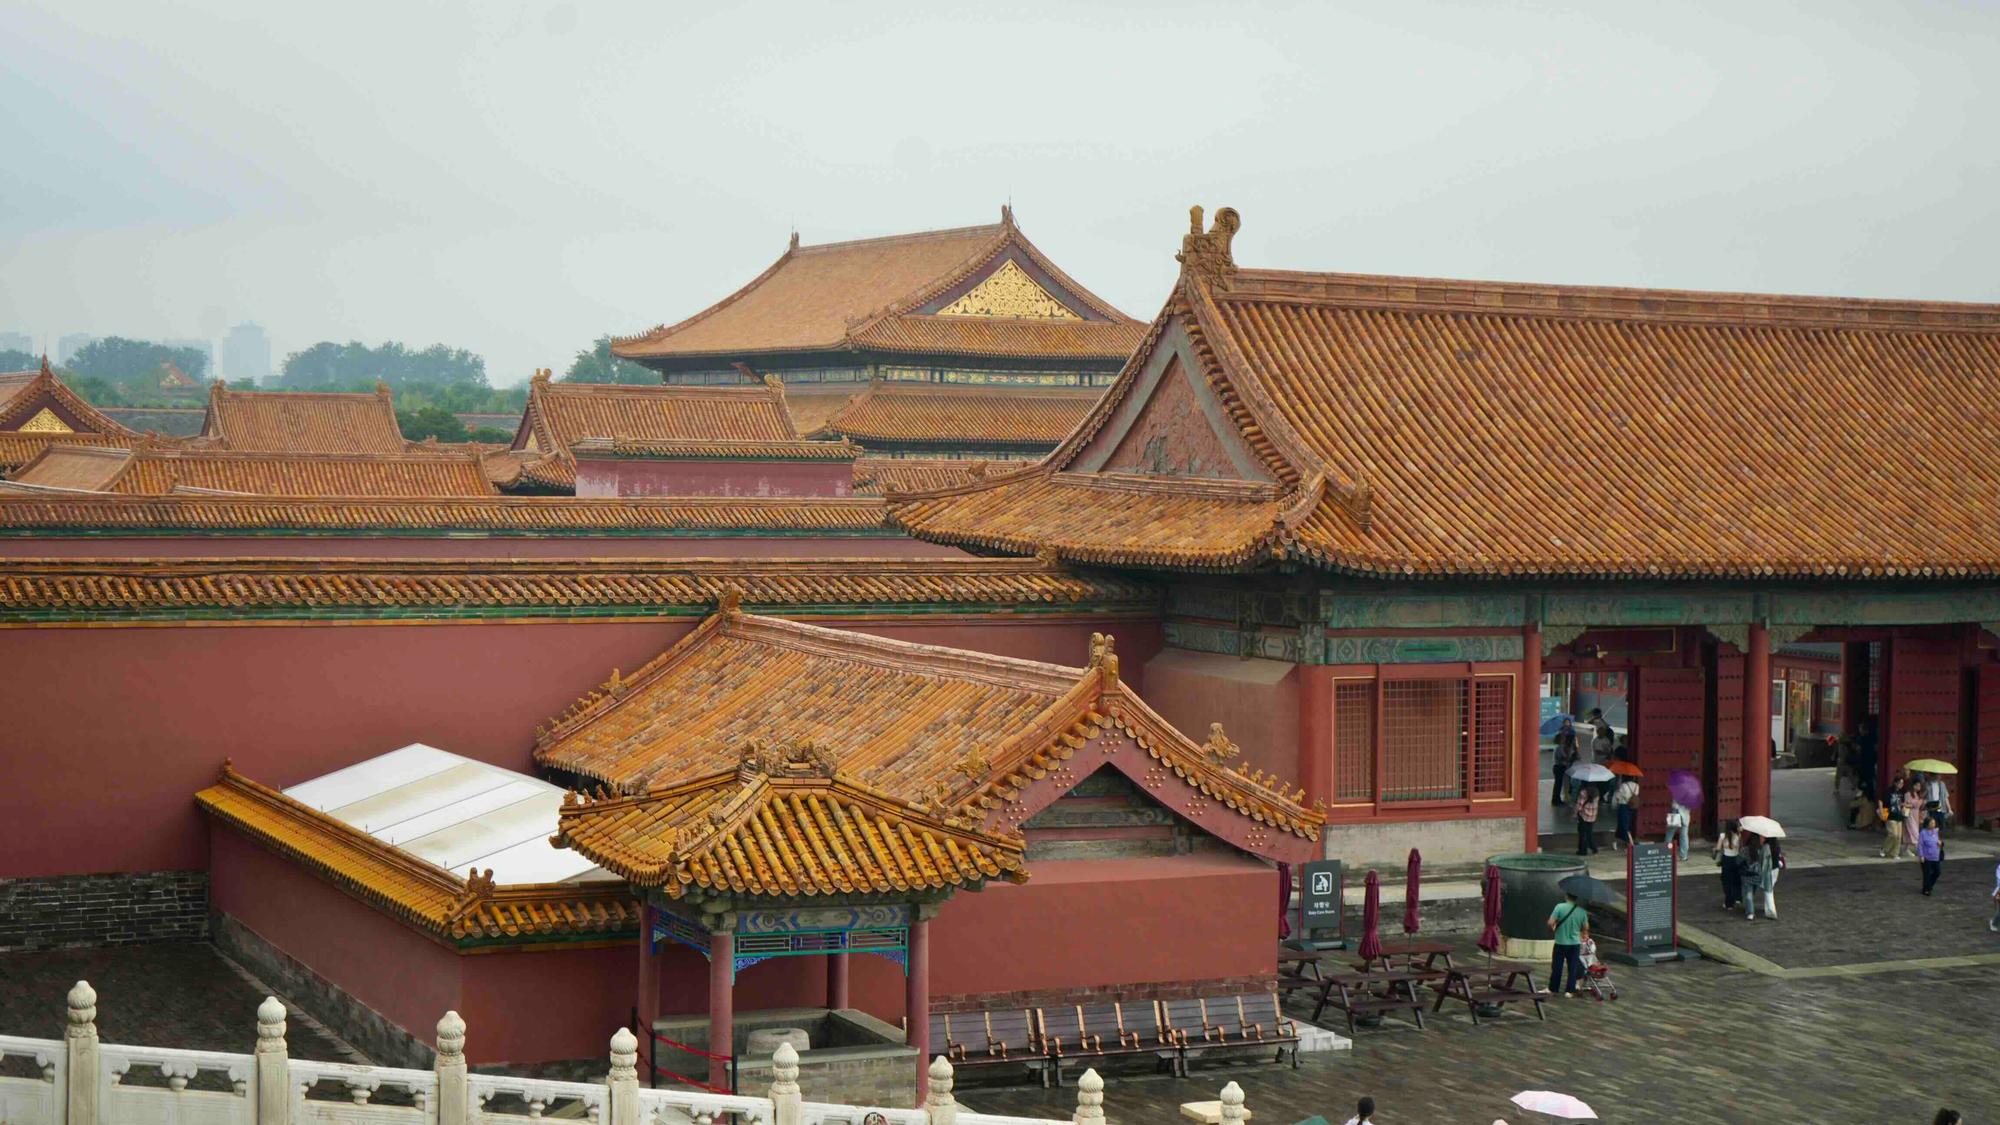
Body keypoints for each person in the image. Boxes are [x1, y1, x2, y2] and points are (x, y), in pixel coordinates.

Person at [1546, 891, 1590, 997]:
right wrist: (1583, 934)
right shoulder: (1582, 912)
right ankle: (1569, 991)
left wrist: (1553, 929)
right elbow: (1586, 927)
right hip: (1574, 944)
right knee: (1573, 967)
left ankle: (1553, 988)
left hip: (1560, 942)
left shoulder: (1559, 907)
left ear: (1566, 896)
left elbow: (1550, 923)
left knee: (1557, 967)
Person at [1713, 819, 1744, 910]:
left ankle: (1729, 903)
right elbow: (1741, 847)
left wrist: (1714, 850)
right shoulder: (1738, 835)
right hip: (1736, 859)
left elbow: (1718, 848)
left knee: (1727, 881)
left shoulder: (1723, 836)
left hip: (1726, 859)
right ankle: (1738, 898)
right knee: (1736, 879)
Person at [1552, 717, 1578, 806]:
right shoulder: (1559, 748)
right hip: (1559, 767)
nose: (1564, 739)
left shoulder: (1562, 746)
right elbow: (1563, 758)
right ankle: (1556, 800)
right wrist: (1569, 758)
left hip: (1560, 766)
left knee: (1559, 784)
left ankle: (1557, 799)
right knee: (1558, 784)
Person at [1739, 832, 1765, 921]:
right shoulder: (1761, 850)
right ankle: (1749, 906)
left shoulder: (1745, 850)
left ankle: (1750, 912)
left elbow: (1739, 860)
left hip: (1747, 875)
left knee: (1748, 893)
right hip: (1758, 875)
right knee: (1752, 892)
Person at [1610, 774, 1639, 852]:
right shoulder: (1636, 785)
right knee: (1626, 824)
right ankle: (1618, 842)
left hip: (1623, 806)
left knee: (1623, 825)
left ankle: (1630, 844)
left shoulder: (1623, 785)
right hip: (1632, 807)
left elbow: (1618, 797)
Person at [1903, 777, 1928, 858]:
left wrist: (1922, 802)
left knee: (1910, 832)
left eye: (1919, 785)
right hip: (1909, 815)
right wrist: (1919, 801)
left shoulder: (1917, 795)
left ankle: (1906, 849)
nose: (1919, 787)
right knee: (1915, 833)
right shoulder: (1908, 794)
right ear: (1913, 785)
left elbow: (1919, 806)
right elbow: (1907, 804)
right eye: (1917, 785)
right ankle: (1920, 850)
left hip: (1915, 815)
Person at [1918, 814, 1943, 896]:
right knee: (1927, 874)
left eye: (1934, 823)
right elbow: (1920, 845)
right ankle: (1926, 889)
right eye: (1931, 823)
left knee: (1937, 872)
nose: (1933, 825)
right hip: (1926, 857)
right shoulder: (1923, 833)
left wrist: (1940, 844)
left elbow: (1938, 841)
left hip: (1935, 856)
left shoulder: (1935, 832)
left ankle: (1929, 885)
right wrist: (1921, 855)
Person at [1760, 836, 1784, 918]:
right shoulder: (1776, 846)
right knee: (1770, 888)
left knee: (1768, 891)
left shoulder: (1766, 847)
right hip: (1775, 869)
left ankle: (1771, 910)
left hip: (1768, 869)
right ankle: (1767, 908)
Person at [1574, 784, 1601, 855]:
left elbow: (1579, 805)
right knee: (1589, 833)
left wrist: (1575, 813)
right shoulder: (1596, 792)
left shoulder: (1583, 792)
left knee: (1582, 833)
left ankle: (1582, 850)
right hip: (1593, 816)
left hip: (1584, 816)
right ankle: (1594, 848)